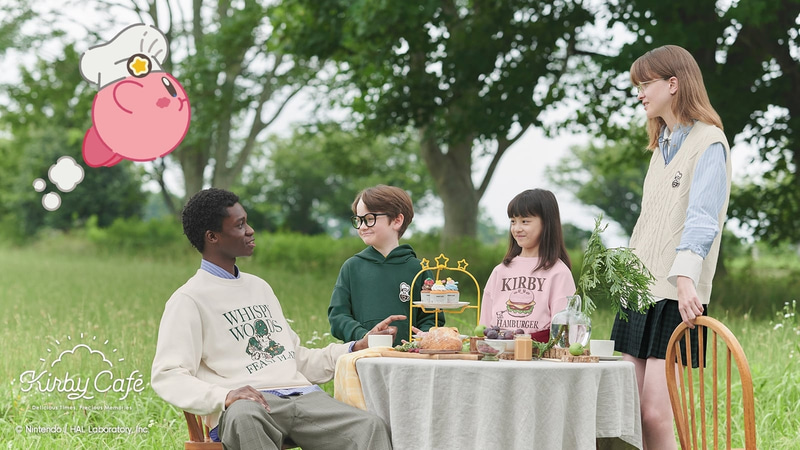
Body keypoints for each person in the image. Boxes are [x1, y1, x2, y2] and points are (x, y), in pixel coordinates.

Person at [151, 188, 397, 450]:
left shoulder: (260, 288)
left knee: (370, 427)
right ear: (212, 237)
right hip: (249, 406)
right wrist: (225, 396)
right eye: (240, 225)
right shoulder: (189, 299)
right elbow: (167, 374)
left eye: (247, 222)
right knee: (245, 416)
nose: (250, 231)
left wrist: (356, 346)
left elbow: (295, 358)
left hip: (303, 398)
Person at [611, 45, 731, 450]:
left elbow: (702, 218)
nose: (640, 94)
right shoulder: (659, 149)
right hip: (637, 292)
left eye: (645, 84)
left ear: (673, 84)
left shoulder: (709, 141)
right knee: (625, 411)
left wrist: (685, 280)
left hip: (673, 292)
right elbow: (649, 224)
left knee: (655, 414)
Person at [328, 185, 442, 346]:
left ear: (397, 220)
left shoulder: (419, 269)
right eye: (359, 220)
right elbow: (338, 316)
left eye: (369, 219)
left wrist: (421, 339)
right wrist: (365, 337)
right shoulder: (352, 267)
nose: (362, 226)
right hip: (364, 356)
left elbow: (432, 318)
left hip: (409, 356)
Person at [479, 189, 576, 342]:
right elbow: (483, 327)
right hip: (499, 352)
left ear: (546, 223)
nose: (517, 228)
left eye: (525, 221)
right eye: (513, 221)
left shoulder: (558, 272)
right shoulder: (500, 271)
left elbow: (564, 331)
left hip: (540, 353)